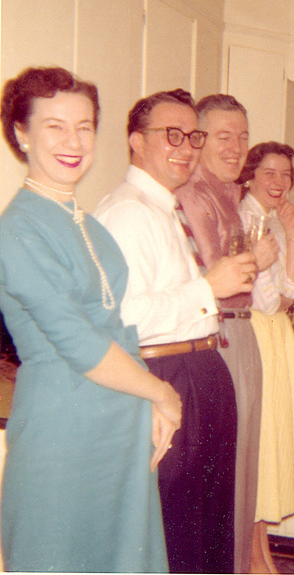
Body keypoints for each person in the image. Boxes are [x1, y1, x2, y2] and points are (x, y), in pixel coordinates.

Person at [0, 67, 182, 571]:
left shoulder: (89, 226)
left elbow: (120, 330)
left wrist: (147, 404)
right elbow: (77, 343)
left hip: (119, 425)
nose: (73, 141)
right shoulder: (15, 230)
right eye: (54, 126)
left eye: (84, 127)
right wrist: (162, 394)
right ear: (20, 132)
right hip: (61, 430)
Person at [95, 89, 255, 573]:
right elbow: (121, 319)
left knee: (205, 526)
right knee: (175, 529)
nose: (186, 147)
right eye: (172, 135)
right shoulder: (128, 213)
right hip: (165, 373)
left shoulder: (164, 208)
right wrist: (209, 286)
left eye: (193, 136)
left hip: (198, 367)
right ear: (135, 142)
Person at [176, 94, 277, 574]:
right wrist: (259, 259)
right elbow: (216, 279)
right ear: (198, 140)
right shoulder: (195, 194)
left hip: (241, 332)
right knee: (227, 476)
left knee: (242, 473)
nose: (237, 147)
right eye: (223, 136)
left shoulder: (224, 193)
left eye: (242, 136)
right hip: (221, 336)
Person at [236, 141, 294, 573]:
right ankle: (258, 564)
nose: (278, 182)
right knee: (258, 451)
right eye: (269, 172)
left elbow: (293, 290)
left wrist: (292, 233)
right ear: (250, 175)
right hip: (255, 335)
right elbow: (272, 300)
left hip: (273, 338)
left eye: (286, 174)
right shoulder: (244, 219)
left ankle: (263, 560)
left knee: (266, 450)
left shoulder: (270, 220)